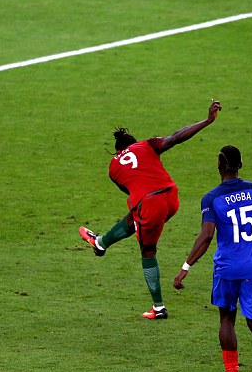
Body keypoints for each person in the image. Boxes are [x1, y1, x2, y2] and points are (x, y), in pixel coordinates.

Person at [79, 100, 222, 319]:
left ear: (118, 151)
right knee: (134, 214)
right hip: (171, 197)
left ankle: (158, 308)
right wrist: (207, 120)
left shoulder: (113, 168)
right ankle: (100, 243)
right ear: (134, 144)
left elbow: (128, 189)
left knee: (148, 251)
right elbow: (176, 137)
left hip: (149, 204)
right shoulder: (147, 145)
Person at [173, 145, 252, 372]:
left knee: (226, 319)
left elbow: (206, 236)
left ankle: (232, 369)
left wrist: (186, 267)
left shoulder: (212, 198)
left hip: (226, 269)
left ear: (219, 166)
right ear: (240, 166)